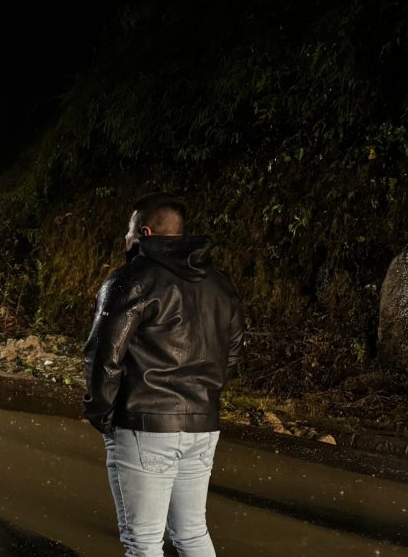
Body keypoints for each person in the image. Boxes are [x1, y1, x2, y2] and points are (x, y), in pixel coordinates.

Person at [83, 192, 245, 557]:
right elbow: (231, 354)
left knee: (143, 542)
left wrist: (102, 415)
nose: (125, 238)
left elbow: (104, 356)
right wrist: (203, 397)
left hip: (145, 424)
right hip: (203, 425)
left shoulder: (130, 280)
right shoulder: (220, 284)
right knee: (192, 533)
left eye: (129, 231)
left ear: (144, 232)